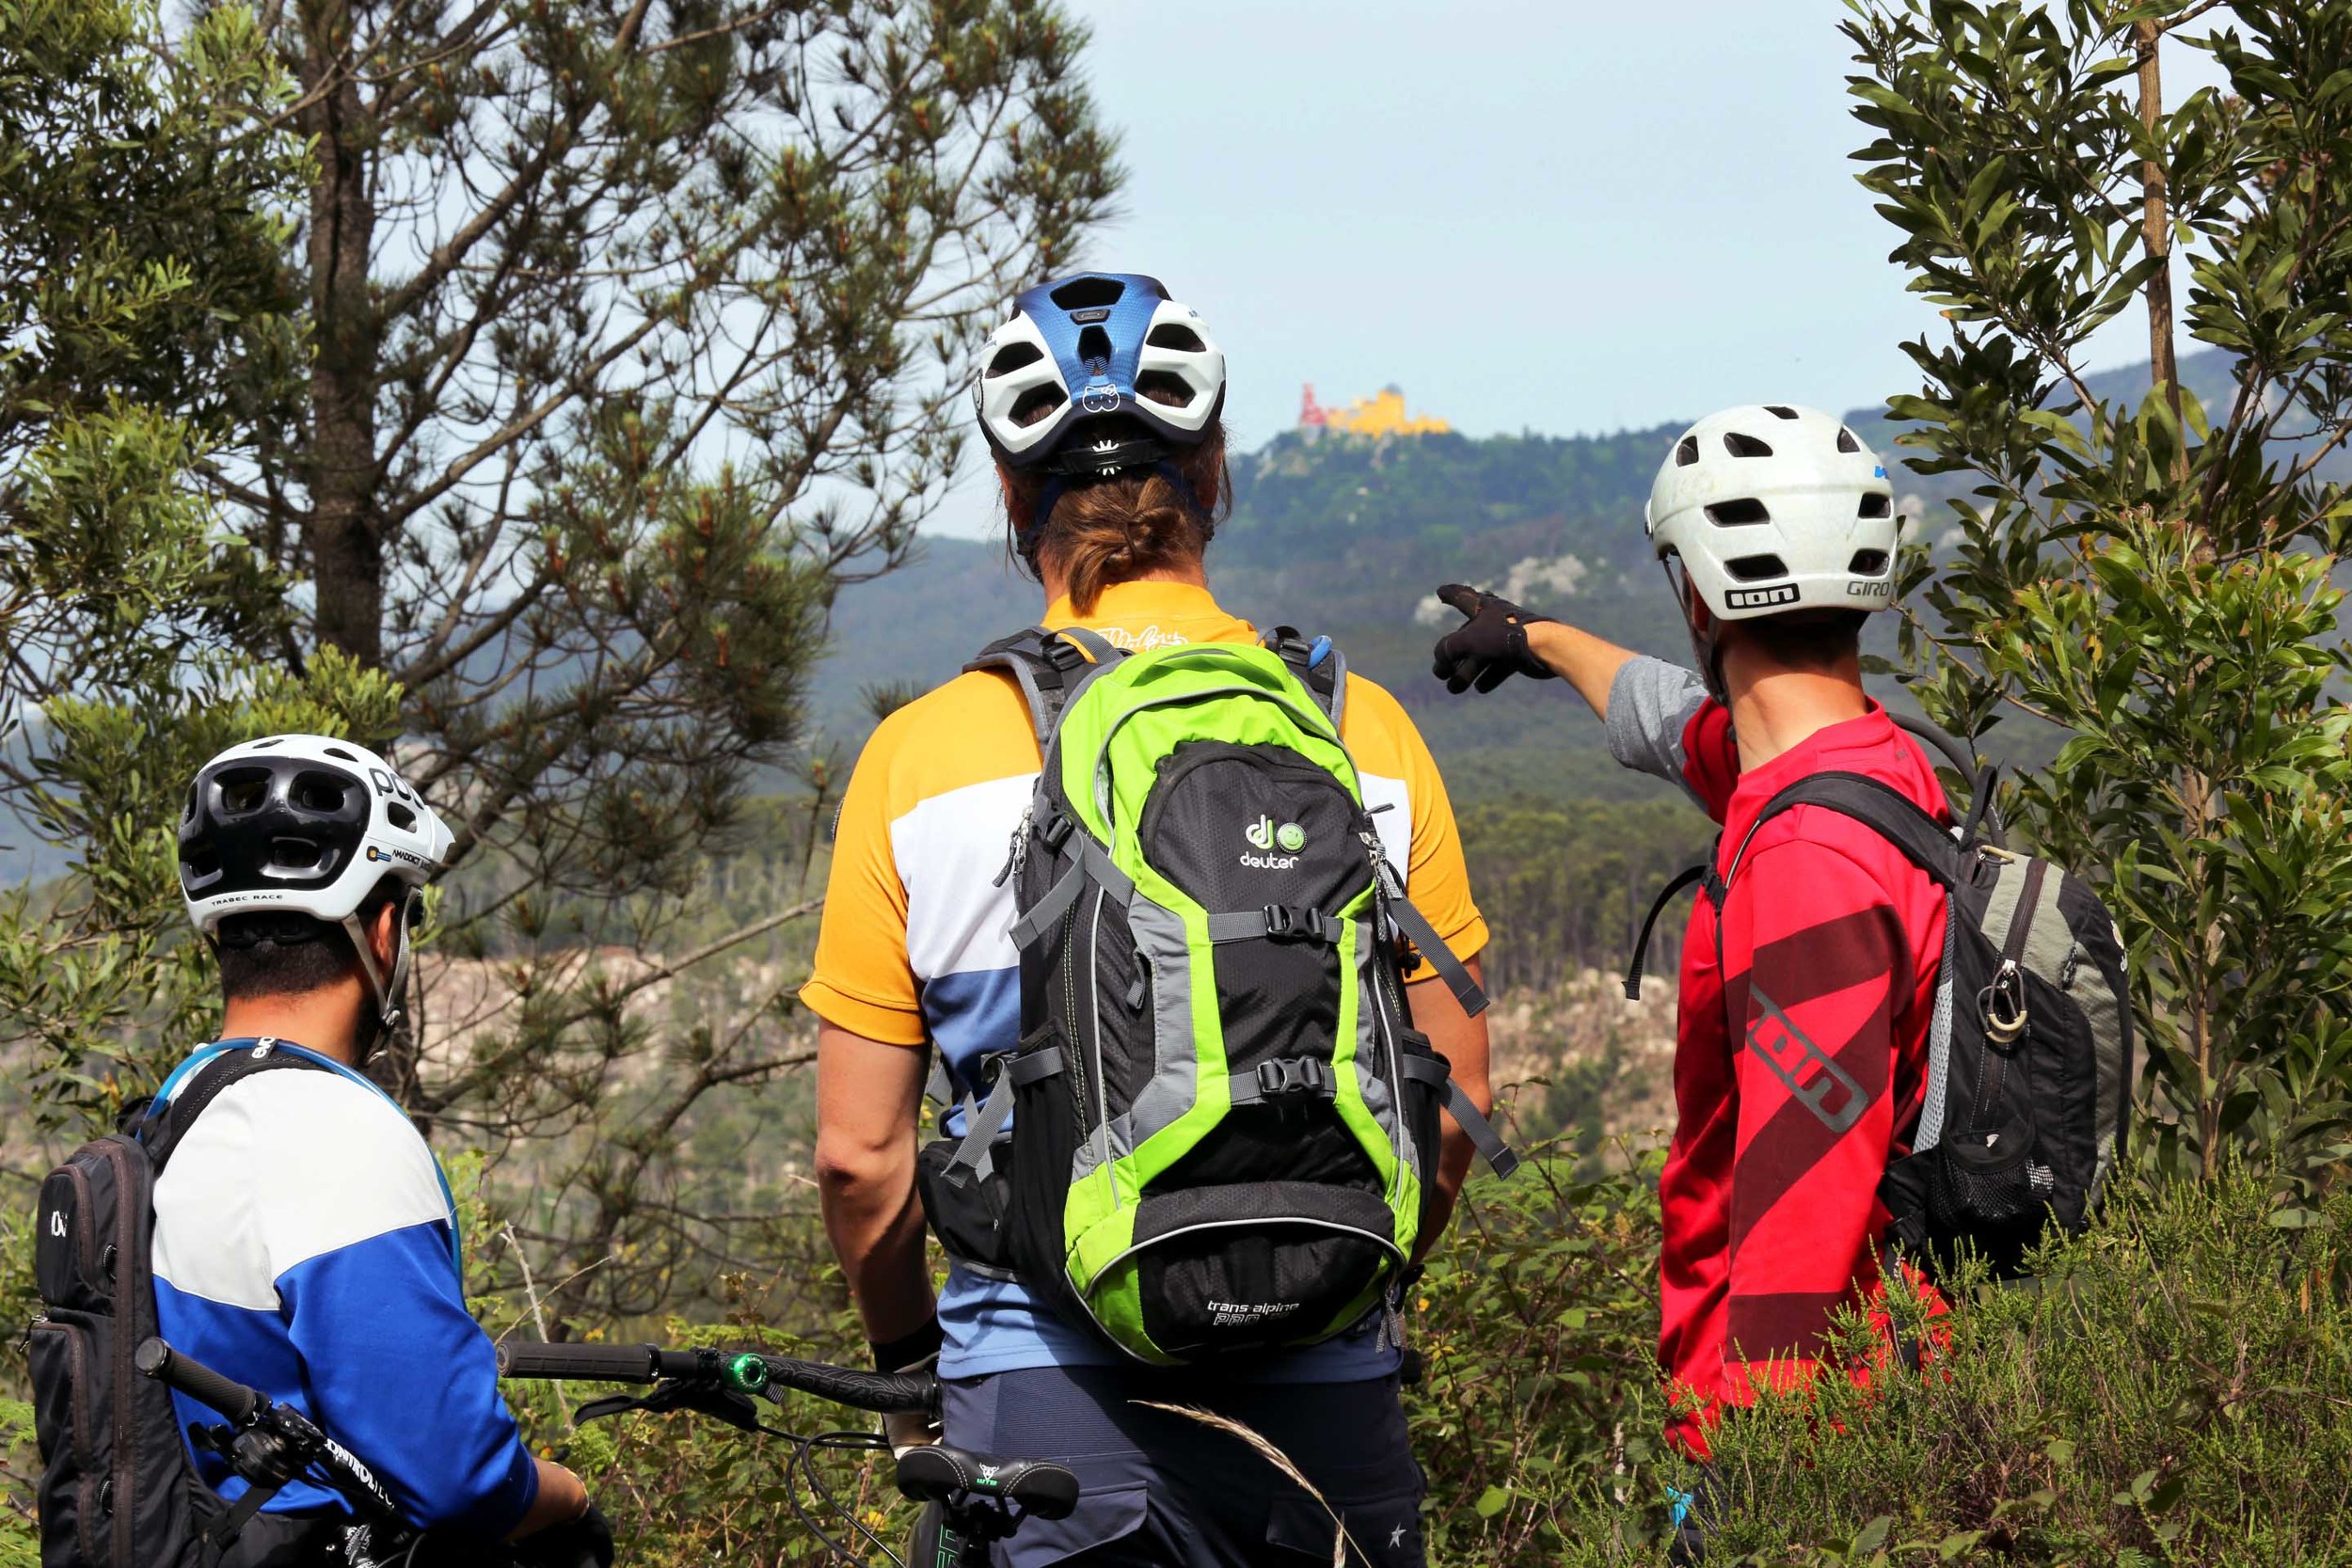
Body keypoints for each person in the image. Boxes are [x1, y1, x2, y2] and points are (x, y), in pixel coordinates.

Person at [803, 272, 1494, 1566]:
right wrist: (1342, 1281)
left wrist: (911, 1374)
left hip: (1044, 1404)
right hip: (1327, 1403)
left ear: (1013, 499)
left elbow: (860, 1156)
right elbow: (1455, 1099)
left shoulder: (920, 757)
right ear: (1214, 472)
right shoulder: (1364, 734)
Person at [1427, 404, 1948, 1467]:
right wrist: (1538, 639)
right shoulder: (1871, 773)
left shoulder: (1809, 866)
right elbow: (1676, 724)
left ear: (1697, 595)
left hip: (1811, 1436)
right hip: (1886, 1377)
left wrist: (1749, 1477)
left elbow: (1806, 1213)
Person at [161, 734, 608, 1562]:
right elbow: (455, 1474)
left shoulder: (177, 1108)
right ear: (384, 926)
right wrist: (571, 1498)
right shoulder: (333, 1135)